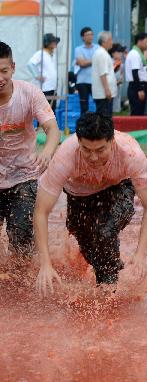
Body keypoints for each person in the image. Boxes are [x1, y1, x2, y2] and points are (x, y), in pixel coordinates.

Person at [34, 112, 147, 293]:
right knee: (87, 244)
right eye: (87, 150)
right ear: (78, 142)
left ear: (112, 141)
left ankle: (108, 290)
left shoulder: (130, 153)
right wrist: (45, 265)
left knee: (104, 232)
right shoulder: (64, 156)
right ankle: (115, 268)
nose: (93, 158)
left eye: (100, 150)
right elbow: (41, 211)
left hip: (118, 187)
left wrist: (140, 254)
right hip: (78, 194)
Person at [0, 41, 61, 263]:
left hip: (23, 176)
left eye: (4, 71)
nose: (0, 78)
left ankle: (21, 285)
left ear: (13, 67)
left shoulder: (29, 93)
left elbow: (53, 129)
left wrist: (47, 151)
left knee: (22, 239)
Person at [28, 34, 60, 110]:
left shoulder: (53, 54)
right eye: (53, 41)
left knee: (52, 111)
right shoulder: (40, 54)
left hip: (53, 87)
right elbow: (30, 64)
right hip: (44, 88)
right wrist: (37, 76)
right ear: (47, 43)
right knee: (43, 113)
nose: (55, 43)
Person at [91, 32, 118, 117]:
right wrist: (107, 90)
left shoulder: (101, 53)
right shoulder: (102, 54)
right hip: (103, 94)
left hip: (102, 93)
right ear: (103, 42)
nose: (112, 42)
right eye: (110, 40)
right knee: (105, 118)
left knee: (104, 117)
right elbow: (103, 73)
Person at [125, 33, 147, 116]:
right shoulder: (135, 54)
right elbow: (135, 73)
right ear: (139, 41)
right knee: (137, 114)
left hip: (139, 86)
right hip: (137, 86)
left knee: (140, 113)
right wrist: (139, 89)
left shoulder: (139, 54)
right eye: (146, 41)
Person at [74, 27, 96, 113]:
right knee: (84, 106)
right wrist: (93, 60)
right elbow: (81, 63)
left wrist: (86, 61)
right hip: (82, 81)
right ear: (83, 37)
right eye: (88, 35)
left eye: (91, 34)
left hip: (95, 81)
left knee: (99, 104)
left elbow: (98, 61)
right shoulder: (78, 49)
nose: (90, 36)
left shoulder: (97, 48)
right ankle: (84, 125)